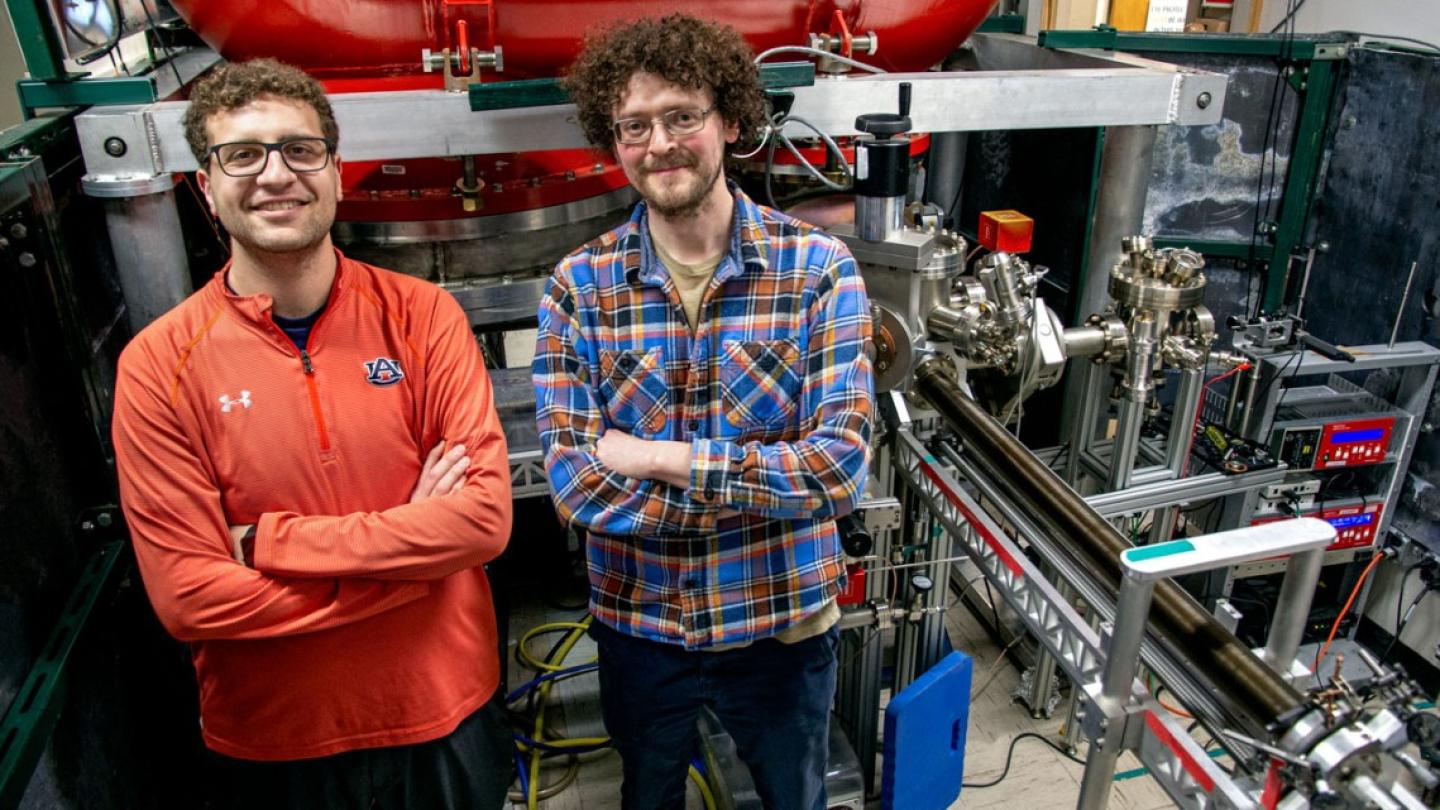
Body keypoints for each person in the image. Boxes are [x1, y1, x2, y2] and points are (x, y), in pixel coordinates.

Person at [112, 59, 515, 809]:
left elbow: (483, 522)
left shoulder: (423, 317)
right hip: (274, 741)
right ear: (206, 186)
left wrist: (269, 544)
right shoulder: (158, 365)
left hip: (445, 713)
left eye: (300, 150)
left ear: (334, 171)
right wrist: (417, 569)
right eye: (243, 154)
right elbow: (191, 600)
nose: (275, 175)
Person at [533, 15, 874, 810]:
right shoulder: (578, 287)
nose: (660, 143)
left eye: (682, 116)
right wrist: (763, 488)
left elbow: (837, 471)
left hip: (781, 629)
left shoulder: (819, 270)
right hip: (643, 628)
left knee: (795, 797)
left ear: (730, 119)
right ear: (611, 139)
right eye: (634, 125)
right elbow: (578, 487)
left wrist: (657, 459)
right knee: (649, 796)